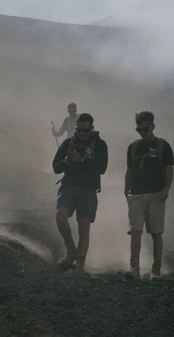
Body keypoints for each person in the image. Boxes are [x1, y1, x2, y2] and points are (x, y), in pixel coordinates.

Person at [52, 112, 108, 273]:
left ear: (92, 128)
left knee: (84, 226)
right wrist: (67, 162)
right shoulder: (68, 143)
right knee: (60, 216)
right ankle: (71, 249)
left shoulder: (99, 145)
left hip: (89, 189)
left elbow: (102, 168)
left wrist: (82, 161)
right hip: (68, 186)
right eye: (79, 130)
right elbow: (56, 167)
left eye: (85, 130)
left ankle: (80, 265)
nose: (82, 134)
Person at [124, 111, 174, 281]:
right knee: (135, 231)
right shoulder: (133, 147)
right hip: (137, 194)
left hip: (156, 194)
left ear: (153, 126)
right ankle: (134, 268)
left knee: (156, 233)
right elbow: (130, 169)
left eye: (145, 129)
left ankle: (156, 269)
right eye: (139, 130)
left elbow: (169, 169)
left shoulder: (162, 145)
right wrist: (126, 189)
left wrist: (166, 188)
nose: (142, 133)